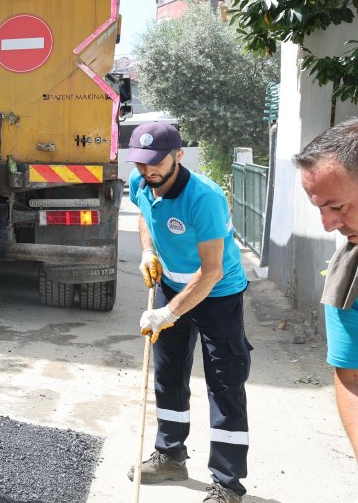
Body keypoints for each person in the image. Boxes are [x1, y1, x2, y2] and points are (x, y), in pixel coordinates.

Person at [125, 122, 251, 503]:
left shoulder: (204, 198)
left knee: (225, 385)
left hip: (218, 296)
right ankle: (170, 457)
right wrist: (148, 251)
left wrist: (167, 314)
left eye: (157, 163)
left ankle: (227, 484)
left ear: (179, 155)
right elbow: (145, 215)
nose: (149, 172)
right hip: (172, 286)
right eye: (142, 164)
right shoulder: (140, 180)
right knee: (167, 374)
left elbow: (211, 271)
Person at [294, 118, 358, 463]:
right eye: (320, 209)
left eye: (337, 207)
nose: (328, 225)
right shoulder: (348, 276)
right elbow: (351, 377)